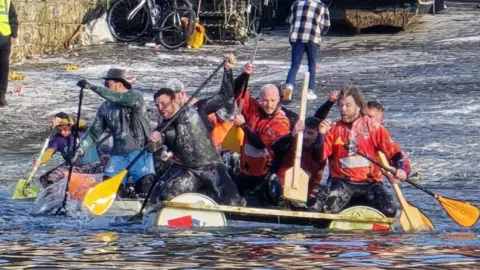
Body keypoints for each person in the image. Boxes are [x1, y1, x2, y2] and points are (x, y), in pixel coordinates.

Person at [317, 87, 409, 217]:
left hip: (370, 184)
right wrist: (321, 135)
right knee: (327, 208)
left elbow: (394, 153)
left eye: (348, 105)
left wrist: (400, 169)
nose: (343, 110)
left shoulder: (373, 127)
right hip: (342, 183)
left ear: (359, 106)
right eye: (341, 106)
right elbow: (318, 156)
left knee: (389, 211)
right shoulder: (333, 129)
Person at [148, 86, 245, 206]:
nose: (160, 108)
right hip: (190, 171)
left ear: (174, 100)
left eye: (163, 104)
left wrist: (228, 69)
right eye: (157, 106)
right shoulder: (163, 128)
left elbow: (225, 95)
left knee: (232, 202)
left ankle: (213, 197)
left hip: (212, 167)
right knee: (167, 195)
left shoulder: (197, 109)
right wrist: (152, 140)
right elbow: (151, 149)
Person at [75, 68, 155, 198]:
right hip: (118, 155)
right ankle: (120, 207)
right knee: (110, 192)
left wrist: (92, 87)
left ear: (119, 83)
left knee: (145, 187)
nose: (105, 86)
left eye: (108, 83)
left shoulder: (135, 96)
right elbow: (94, 134)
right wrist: (79, 150)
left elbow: (119, 98)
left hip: (140, 152)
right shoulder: (104, 108)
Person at [232, 64, 291, 199]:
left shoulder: (281, 122)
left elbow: (259, 143)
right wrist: (244, 75)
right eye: (265, 100)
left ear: (278, 101)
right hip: (246, 170)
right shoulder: (254, 109)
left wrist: (244, 126)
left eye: (272, 101)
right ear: (259, 100)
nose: (269, 105)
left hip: (266, 174)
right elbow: (236, 91)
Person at [37, 112, 105, 188]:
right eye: (59, 130)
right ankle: (57, 196)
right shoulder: (57, 140)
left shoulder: (80, 129)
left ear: (70, 124)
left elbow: (83, 123)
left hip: (94, 165)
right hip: (76, 168)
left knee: (107, 165)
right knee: (45, 179)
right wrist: (40, 160)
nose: (63, 132)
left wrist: (65, 121)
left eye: (65, 128)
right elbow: (49, 152)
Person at [283, 0, 330, 101]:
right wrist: (319, 32)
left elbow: (290, 20)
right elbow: (326, 25)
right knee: (312, 65)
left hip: (297, 38)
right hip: (312, 39)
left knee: (294, 65)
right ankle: (309, 91)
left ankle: (289, 88)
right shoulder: (321, 6)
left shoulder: (295, 4)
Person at [363, 100, 412, 182]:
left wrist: (402, 171)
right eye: (365, 117)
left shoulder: (383, 137)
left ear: (381, 119)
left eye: (371, 117)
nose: (367, 121)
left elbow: (400, 158)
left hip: (374, 178)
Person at [0, 0, 18, 107]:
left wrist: (14, 34)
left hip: (4, 40)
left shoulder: (7, 2)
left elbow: (13, 18)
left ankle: (1, 95)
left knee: (3, 69)